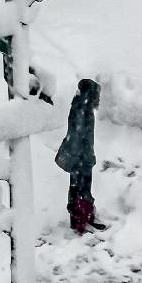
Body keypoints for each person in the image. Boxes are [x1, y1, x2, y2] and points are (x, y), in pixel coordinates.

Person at [54, 79, 106, 235]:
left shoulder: (82, 107)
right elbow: (76, 135)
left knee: (79, 189)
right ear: (90, 94)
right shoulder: (82, 108)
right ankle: (80, 222)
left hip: (82, 156)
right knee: (81, 189)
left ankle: (82, 218)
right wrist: (80, 159)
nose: (98, 99)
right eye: (96, 95)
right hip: (81, 158)